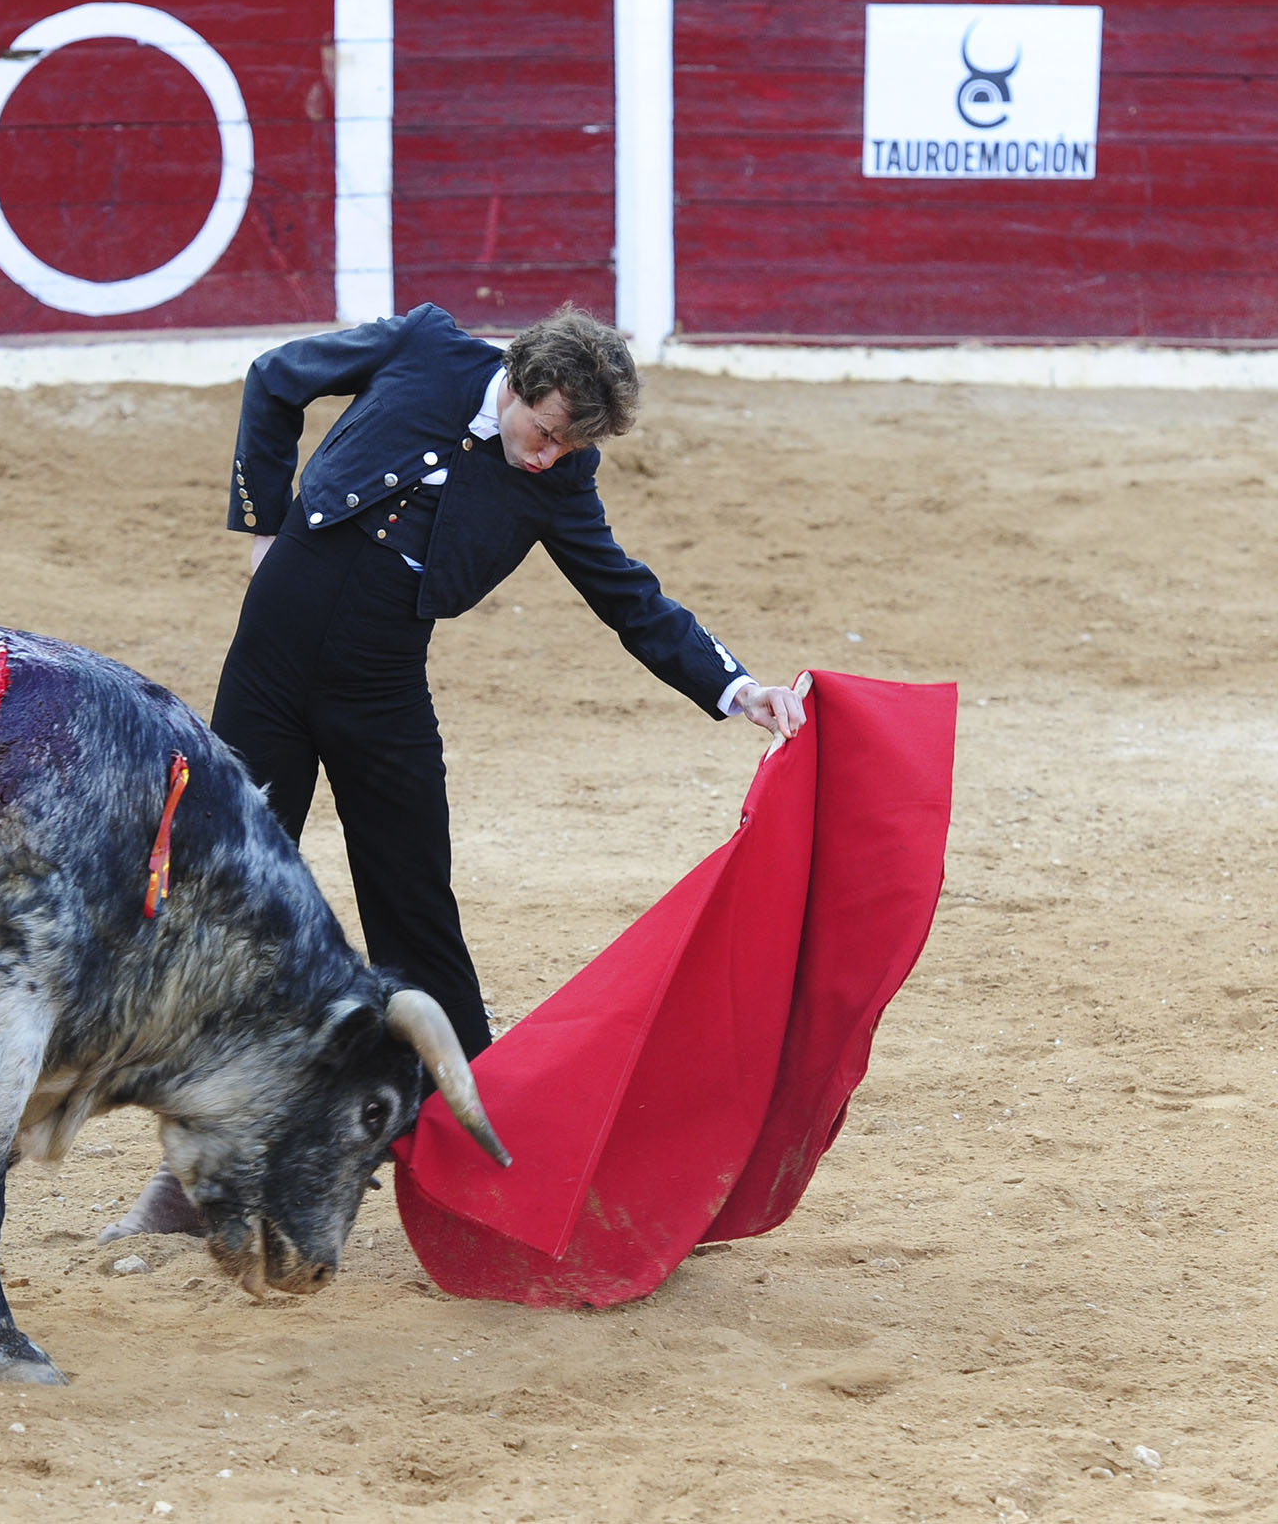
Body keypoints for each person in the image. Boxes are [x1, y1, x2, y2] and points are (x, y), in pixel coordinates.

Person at [100, 302, 805, 1242]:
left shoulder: (562, 478)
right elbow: (276, 377)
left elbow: (629, 596)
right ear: (514, 380)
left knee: (418, 914)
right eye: (546, 430)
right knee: (227, 902)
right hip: (267, 667)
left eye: (570, 444)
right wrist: (265, 530)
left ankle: (477, 1159)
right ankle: (194, 1175)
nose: (550, 454)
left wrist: (733, 686)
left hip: (381, 691)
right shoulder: (425, 345)